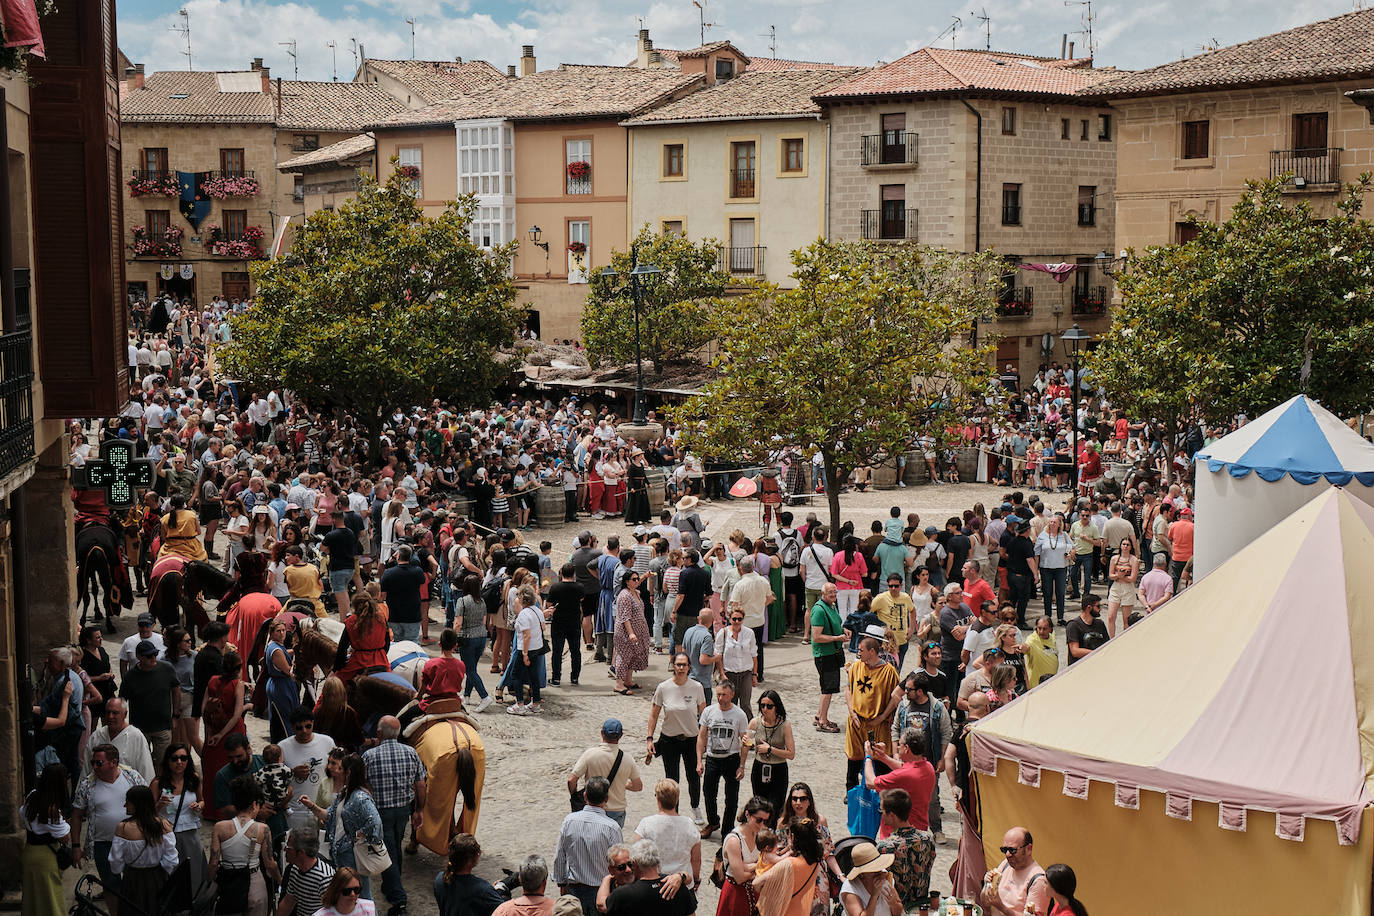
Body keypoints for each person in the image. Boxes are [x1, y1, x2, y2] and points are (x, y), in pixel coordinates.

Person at [363, 715, 427, 916]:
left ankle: (399, 900)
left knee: (387, 852)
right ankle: (391, 885)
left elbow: (363, 786)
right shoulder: (411, 752)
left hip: (380, 811)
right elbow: (420, 785)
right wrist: (419, 810)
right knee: (394, 848)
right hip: (403, 811)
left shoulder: (369, 756)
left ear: (379, 733)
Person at [72, 744, 146, 912]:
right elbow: (76, 815)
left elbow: (147, 803)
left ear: (113, 763)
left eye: (99, 763)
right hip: (102, 843)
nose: (94, 767)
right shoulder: (88, 785)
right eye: (93, 762)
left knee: (133, 882)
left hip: (132, 840)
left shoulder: (132, 777)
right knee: (110, 884)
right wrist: (76, 846)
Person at [647, 655, 708, 824]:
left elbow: (704, 715)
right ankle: (674, 810)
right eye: (678, 665)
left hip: (691, 739)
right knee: (672, 778)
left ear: (689, 667)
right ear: (673, 666)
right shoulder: (663, 687)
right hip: (669, 740)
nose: (681, 668)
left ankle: (695, 806)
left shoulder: (696, 687)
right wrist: (650, 738)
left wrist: (705, 741)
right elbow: (654, 714)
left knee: (694, 776)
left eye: (684, 665)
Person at [891, 671, 951, 839]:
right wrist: (896, 753)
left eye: (909, 689)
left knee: (931, 799)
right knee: (903, 797)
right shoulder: (903, 706)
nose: (905, 692)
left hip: (928, 762)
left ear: (920, 691)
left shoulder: (937, 707)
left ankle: (936, 829)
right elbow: (895, 729)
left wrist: (942, 758)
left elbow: (946, 733)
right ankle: (906, 830)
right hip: (905, 763)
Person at [210, 776, 281, 916]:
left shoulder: (220, 827)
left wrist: (210, 883)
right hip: (255, 884)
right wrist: (280, 880)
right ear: (255, 804)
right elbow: (270, 864)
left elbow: (213, 863)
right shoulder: (263, 829)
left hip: (229, 885)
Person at [553, 777, 622, 916]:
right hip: (602, 892)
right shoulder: (612, 827)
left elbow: (560, 855)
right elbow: (618, 862)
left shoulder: (569, 821)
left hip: (574, 890)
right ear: (607, 798)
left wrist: (561, 883)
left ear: (585, 796)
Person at [108, 785, 179, 914]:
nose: (125, 806)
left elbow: (115, 863)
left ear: (137, 805)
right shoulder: (163, 825)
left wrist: (123, 870)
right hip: (157, 879)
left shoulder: (123, 828)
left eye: (127, 803)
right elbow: (172, 860)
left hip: (132, 880)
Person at [151, 742, 208, 900]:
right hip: (166, 835)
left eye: (183, 758)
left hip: (190, 834)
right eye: (174, 758)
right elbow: (147, 813)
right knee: (170, 874)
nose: (179, 762)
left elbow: (203, 800)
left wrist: (199, 806)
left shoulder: (193, 779)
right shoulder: (158, 783)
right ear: (168, 761)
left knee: (194, 873)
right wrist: (159, 805)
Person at [696, 680, 752, 840]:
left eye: (724, 695)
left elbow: (745, 741)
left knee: (731, 797)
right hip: (713, 758)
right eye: (718, 694)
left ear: (732, 695)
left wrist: (742, 765)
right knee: (708, 792)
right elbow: (701, 737)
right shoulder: (708, 711)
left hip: (731, 758)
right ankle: (713, 821)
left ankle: (727, 829)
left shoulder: (739, 714)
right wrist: (699, 760)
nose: (720, 698)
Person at [844, 636, 899, 790]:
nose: (858, 653)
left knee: (880, 758)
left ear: (872, 651)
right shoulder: (856, 667)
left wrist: (882, 717)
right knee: (854, 758)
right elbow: (848, 689)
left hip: (878, 723)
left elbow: (894, 699)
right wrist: (852, 711)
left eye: (861, 650)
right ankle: (851, 790)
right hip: (856, 721)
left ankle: (882, 793)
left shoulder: (889, 672)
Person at [119, 637, 180, 767]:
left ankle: (161, 786)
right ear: (139, 657)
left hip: (163, 726)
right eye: (148, 656)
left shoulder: (166, 669)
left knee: (163, 763)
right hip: (140, 729)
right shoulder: (130, 676)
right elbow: (122, 700)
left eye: (155, 654)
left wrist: (175, 715)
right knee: (141, 763)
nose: (153, 658)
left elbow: (176, 690)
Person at [864, 727, 935, 837]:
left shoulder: (904, 776)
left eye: (900, 744)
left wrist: (868, 757)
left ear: (907, 748)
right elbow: (903, 768)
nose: (897, 747)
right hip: (919, 829)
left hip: (897, 835)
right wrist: (883, 757)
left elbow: (870, 782)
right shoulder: (928, 767)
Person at [202, 651, 249, 819]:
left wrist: (210, 733)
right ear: (238, 668)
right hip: (232, 731)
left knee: (212, 770)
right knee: (235, 769)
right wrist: (222, 734)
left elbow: (204, 711)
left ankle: (212, 810)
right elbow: (236, 714)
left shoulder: (212, 681)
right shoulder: (238, 684)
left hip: (213, 730)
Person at [633, 780, 702, 891]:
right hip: (681, 884)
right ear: (677, 799)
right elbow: (696, 858)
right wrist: (695, 877)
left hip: (653, 883)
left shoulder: (646, 824)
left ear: (658, 799)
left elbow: (636, 856)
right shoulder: (689, 824)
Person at [22, 764, 72, 916]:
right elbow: (64, 836)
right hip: (46, 857)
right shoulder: (51, 810)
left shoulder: (31, 797)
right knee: (51, 899)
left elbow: (21, 814)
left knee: (32, 899)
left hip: (30, 852)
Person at [875, 788, 935, 909]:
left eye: (882, 811)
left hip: (896, 908)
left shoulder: (885, 847)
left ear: (892, 815)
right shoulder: (928, 839)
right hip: (920, 906)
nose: (881, 814)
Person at [606, 840, 696, 916]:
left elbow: (602, 905)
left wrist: (606, 880)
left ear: (635, 863)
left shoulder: (621, 895)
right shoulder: (676, 886)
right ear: (657, 861)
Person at [716, 796, 773, 916]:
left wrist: (749, 867)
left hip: (757, 893)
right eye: (759, 820)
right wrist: (760, 867)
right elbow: (739, 877)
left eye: (766, 821)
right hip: (735, 895)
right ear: (747, 814)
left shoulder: (761, 836)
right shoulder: (734, 840)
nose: (763, 825)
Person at [282, 707, 335, 832]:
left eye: (308, 726)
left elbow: (336, 771)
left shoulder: (327, 742)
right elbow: (277, 778)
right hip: (295, 811)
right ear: (292, 727)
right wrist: (292, 772)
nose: (304, 731)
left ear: (313, 723)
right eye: (299, 728)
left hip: (322, 808)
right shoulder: (283, 747)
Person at [979, 827, 1048, 916]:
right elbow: (985, 902)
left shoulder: (1038, 880)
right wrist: (987, 886)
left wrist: (1002, 907)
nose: (1007, 855)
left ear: (1028, 849)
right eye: (1004, 850)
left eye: (1012, 850)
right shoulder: (1006, 865)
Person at [747, 689, 795, 815]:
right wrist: (745, 742)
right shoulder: (754, 723)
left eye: (769, 706)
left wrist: (770, 749)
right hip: (759, 767)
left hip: (778, 769)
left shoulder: (784, 725)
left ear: (776, 707)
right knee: (759, 807)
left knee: (775, 808)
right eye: (762, 705)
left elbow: (791, 754)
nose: (765, 709)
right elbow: (747, 745)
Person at [704, 604, 758, 717]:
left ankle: (748, 729)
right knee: (729, 703)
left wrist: (754, 675)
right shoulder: (722, 634)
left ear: (743, 619)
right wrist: (722, 674)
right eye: (734, 619)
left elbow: (754, 655)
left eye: (740, 619)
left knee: (745, 704)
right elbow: (718, 656)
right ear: (729, 619)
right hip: (729, 674)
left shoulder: (749, 633)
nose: (737, 621)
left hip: (745, 673)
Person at [86, 698, 155, 782]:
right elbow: (86, 769)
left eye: (115, 713)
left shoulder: (136, 737)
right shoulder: (96, 736)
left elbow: (146, 772)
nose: (110, 717)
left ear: (125, 714)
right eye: (108, 712)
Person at [433, 834, 503, 916]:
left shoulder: (440, 879)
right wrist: (500, 891)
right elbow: (506, 911)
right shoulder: (482, 890)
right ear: (470, 861)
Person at [809, 582, 845, 733]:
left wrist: (844, 631)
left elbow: (835, 624)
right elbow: (816, 637)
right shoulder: (819, 610)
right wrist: (837, 638)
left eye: (835, 592)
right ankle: (823, 721)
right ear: (823, 594)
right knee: (827, 688)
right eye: (830, 593)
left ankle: (819, 715)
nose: (833, 595)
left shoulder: (832, 605)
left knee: (827, 687)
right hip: (825, 654)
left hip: (832, 652)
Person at [731, 556, 773, 681]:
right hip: (759, 619)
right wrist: (761, 605)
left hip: (745, 621)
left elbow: (735, 605)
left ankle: (746, 674)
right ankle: (759, 674)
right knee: (758, 648)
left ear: (741, 568)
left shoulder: (740, 584)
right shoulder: (763, 581)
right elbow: (770, 598)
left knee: (743, 648)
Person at [277, 827, 336, 916]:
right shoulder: (295, 869)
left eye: (288, 848)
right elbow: (288, 902)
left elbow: (333, 910)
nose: (285, 850)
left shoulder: (324, 878)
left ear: (301, 853)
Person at [263, 617, 301, 743]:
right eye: (278, 631)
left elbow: (285, 652)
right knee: (285, 719)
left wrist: (294, 651)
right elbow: (288, 671)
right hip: (281, 686)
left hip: (278, 684)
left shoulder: (274, 645)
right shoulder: (277, 650)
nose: (282, 633)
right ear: (272, 633)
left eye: (284, 630)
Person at [838, 842, 902, 916]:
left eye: (879, 867)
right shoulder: (850, 889)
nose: (879, 872)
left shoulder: (885, 876)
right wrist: (874, 895)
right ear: (861, 873)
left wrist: (893, 903)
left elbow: (898, 912)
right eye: (873, 870)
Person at [613, 570, 650, 695]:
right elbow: (625, 617)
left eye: (637, 578)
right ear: (627, 582)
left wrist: (645, 576)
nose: (636, 581)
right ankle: (619, 684)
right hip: (625, 632)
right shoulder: (624, 595)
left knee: (633, 656)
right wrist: (630, 633)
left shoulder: (635, 592)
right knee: (624, 656)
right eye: (634, 579)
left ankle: (628, 681)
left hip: (638, 630)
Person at [547, 563, 583, 687]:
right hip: (574, 621)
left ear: (561, 573)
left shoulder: (555, 587)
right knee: (575, 651)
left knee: (557, 651)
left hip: (559, 622)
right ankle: (575, 677)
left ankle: (556, 677)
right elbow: (581, 600)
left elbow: (549, 604)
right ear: (573, 574)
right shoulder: (579, 587)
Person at [870, 575, 916, 668]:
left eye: (896, 586)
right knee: (885, 671)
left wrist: (911, 629)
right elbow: (869, 613)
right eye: (891, 586)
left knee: (897, 671)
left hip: (902, 640)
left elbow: (912, 611)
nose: (893, 588)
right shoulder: (880, 598)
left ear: (901, 586)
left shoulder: (905, 597)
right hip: (886, 642)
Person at [1104, 537, 1139, 638]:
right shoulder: (1114, 558)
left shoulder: (1134, 560)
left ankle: (1125, 639)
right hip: (1116, 587)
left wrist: (1120, 576)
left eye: (1127, 545)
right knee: (1111, 617)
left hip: (1128, 588)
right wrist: (1118, 576)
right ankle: (1111, 638)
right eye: (1123, 544)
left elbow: (1133, 578)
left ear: (1131, 547)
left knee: (1126, 620)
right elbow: (1111, 575)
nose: (1125, 546)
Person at [681, 607, 715, 698]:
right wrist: (717, 658)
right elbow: (703, 660)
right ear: (712, 620)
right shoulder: (707, 636)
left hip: (688, 679)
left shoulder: (688, 631)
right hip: (702, 681)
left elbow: (683, 653)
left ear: (698, 618)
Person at [1065, 595, 1108, 666]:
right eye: (1098, 606)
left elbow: (1107, 644)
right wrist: (1096, 653)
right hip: (1080, 667)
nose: (1100, 609)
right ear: (1089, 608)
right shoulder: (1073, 625)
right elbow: (1075, 651)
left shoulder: (1100, 624)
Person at [1023, 617, 1059, 688]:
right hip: (1037, 686)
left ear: (1050, 629)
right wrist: (1021, 648)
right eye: (1039, 628)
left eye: (1045, 629)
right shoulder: (1032, 640)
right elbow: (1026, 647)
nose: (1041, 631)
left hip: (1051, 682)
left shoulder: (1052, 638)